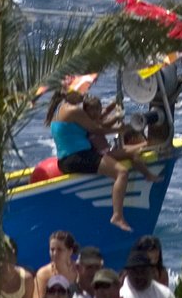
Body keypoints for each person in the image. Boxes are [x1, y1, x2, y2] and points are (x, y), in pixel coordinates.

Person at [49, 88, 141, 229]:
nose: (84, 95)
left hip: (66, 160)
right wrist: (119, 130)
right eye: (81, 92)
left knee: (121, 155)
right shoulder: (73, 110)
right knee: (121, 173)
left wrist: (112, 105)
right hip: (78, 157)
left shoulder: (60, 108)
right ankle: (117, 216)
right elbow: (96, 129)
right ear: (71, 94)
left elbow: (96, 119)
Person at [34, 230, 82, 298]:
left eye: (59, 250)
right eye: (52, 249)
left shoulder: (79, 269)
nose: (55, 253)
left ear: (70, 251)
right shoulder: (44, 273)